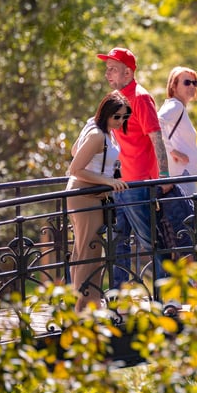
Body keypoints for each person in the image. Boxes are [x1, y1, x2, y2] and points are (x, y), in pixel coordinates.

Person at [97, 46, 171, 287]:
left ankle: (166, 298)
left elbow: (156, 136)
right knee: (118, 241)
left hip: (140, 184)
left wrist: (165, 176)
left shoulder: (140, 97)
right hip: (119, 184)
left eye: (113, 70)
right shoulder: (115, 101)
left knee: (151, 241)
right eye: (107, 69)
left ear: (127, 73)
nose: (108, 74)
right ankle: (118, 296)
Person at [66, 91, 130, 311]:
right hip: (84, 195)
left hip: (93, 194)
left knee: (91, 248)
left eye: (124, 117)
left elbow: (75, 149)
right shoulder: (96, 134)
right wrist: (106, 180)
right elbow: (74, 168)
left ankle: (89, 300)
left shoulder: (101, 131)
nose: (121, 121)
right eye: (116, 117)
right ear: (106, 114)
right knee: (87, 249)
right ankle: (82, 307)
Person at [158, 66, 197, 199]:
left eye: (195, 83)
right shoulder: (176, 105)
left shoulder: (177, 107)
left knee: (187, 216)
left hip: (184, 174)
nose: (192, 86)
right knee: (188, 217)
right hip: (182, 174)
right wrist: (172, 151)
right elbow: (157, 122)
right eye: (187, 82)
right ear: (173, 86)